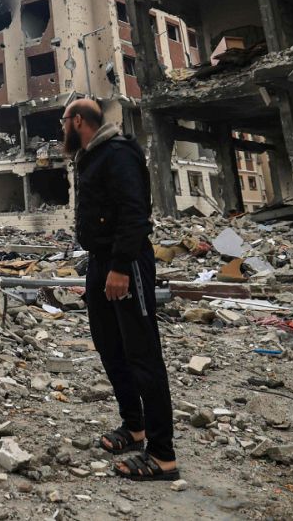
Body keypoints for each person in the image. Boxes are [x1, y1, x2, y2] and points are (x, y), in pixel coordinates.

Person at [62, 97, 179, 481]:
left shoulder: (118, 153)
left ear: (78, 120)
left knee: (142, 353)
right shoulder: (91, 155)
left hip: (124, 263)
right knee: (109, 345)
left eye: (65, 121)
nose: (62, 128)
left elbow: (134, 212)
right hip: (101, 262)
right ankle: (134, 427)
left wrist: (119, 267)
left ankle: (162, 456)